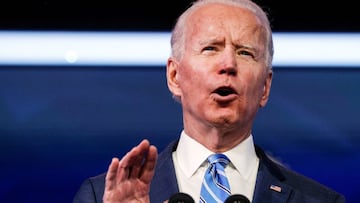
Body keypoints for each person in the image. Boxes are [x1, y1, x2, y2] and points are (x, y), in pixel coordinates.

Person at [73, 0, 346, 202]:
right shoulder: (100, 196)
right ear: (174, 76)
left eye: (245, 53)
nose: (228, 64)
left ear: (265, 87)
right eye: (210, 48)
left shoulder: (319, 200)